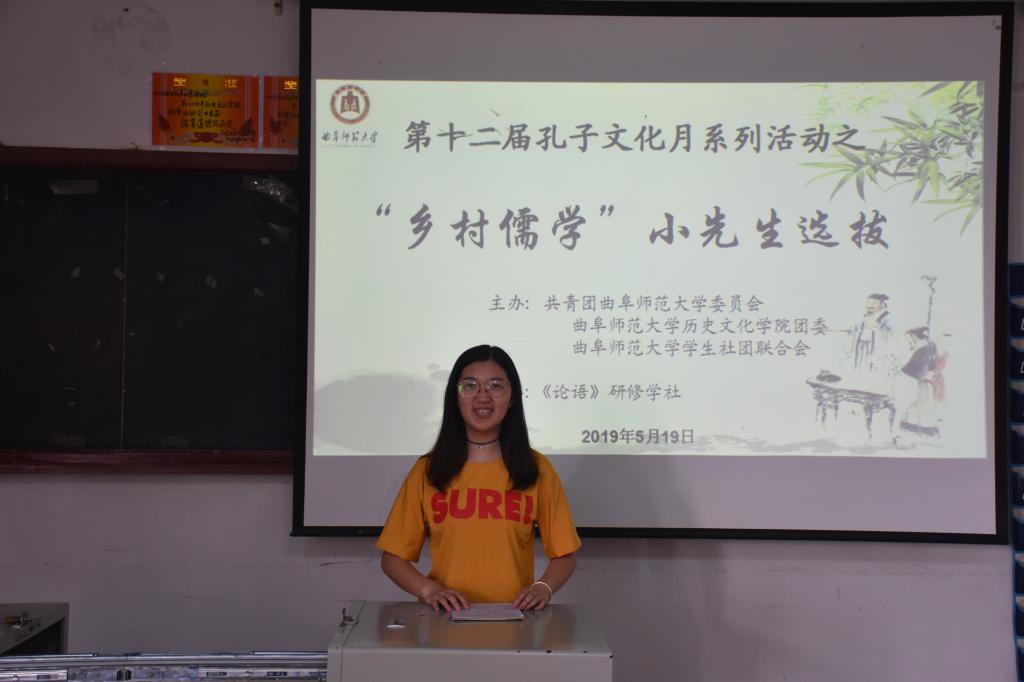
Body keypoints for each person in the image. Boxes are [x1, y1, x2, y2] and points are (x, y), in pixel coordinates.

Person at [377, 344, 581, 613]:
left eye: (495, 386)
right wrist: (429, 590)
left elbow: (565, 555)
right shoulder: (428, 470)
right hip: (445, 621)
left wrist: (543, 587)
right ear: (455, 397)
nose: (482, 397)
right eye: (470, 386)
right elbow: (392, 558)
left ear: (512, 397)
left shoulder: (537, 469)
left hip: (514, 621)